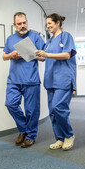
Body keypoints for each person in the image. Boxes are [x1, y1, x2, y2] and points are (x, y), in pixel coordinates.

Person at [3, 12, 45, 148]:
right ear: (14, 25)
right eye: (19, 24)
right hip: (14, 80)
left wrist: (29, 54)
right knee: (10, 104)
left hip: (31, 79)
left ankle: (31, 136)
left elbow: (44, 57)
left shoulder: (35, 36)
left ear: (27, 22)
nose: (22, 26)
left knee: (32, 110)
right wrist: (11, 55)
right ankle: (24, 130)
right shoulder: (10, 39)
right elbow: (4, 56)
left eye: (24, 22)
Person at [35, 13, 77, 151]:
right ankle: (59, 138)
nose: (48, 26)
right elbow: (45, 58)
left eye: (49, 23)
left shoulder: (66, 36)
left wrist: (46, 54)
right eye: (46, 24)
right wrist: (35, 55)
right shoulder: (49, 41)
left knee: (59, 107)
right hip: (51, 80)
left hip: (63, 79)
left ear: (58, 22)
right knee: (53, 111)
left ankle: (69, 135)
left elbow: (66, 54)